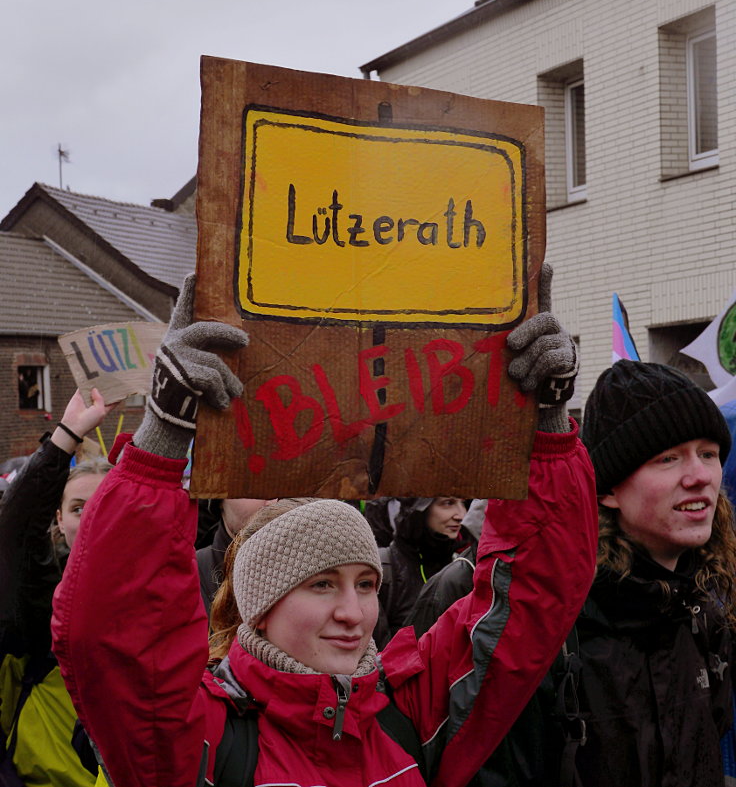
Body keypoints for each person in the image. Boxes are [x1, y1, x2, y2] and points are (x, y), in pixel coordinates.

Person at [51, 272, 597, 787]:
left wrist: (546, 425)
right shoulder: (203, 741)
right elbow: (109, 635)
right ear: (260, 606)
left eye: (365, 584)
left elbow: (530, 598)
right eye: (321, 584)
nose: (354, 613)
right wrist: (162, 436)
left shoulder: (407, 716)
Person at [566, 359, 736, 787]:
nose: (700, 476)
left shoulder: (708, 609)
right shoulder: (561, 622)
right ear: (607, 491)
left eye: (709, 454)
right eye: (668, 458)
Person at [0, 389, 112, 787]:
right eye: (79, 508)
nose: (92, 520)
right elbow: (18, 525)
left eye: (105, 508)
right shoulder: (42, 597)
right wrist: (67, 433)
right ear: (59, 519)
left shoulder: (153, 592)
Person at [374, 496, 467, 647]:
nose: (461, 515)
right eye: (448, 503)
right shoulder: (384, 570)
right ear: (419, 511)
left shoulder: (462, 567)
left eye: (463, 503)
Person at [197, 496, 276, 616]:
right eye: (252, 486)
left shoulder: (310, 570)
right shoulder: (191, 577)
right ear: (220, 500)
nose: (273, 501)